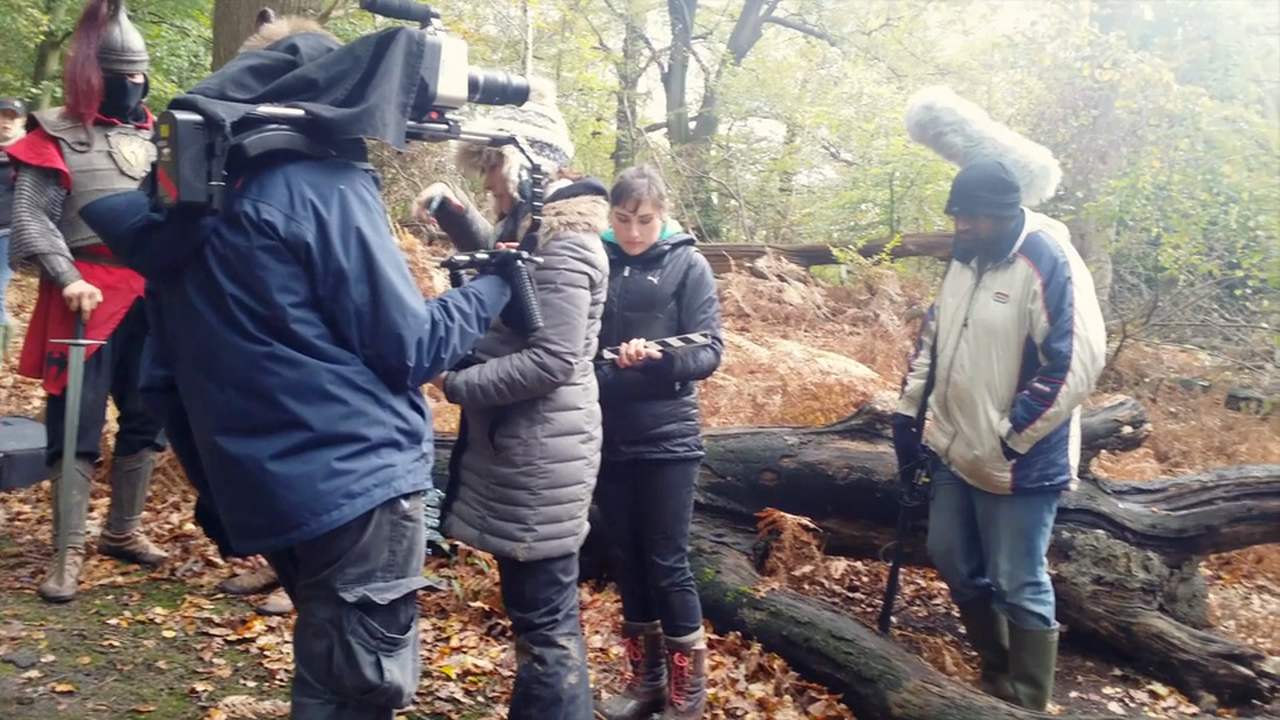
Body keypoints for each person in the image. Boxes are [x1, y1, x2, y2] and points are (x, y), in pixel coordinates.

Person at [77, 12, 514, 718]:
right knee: (357, 691)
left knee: (327, 669)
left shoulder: (185, 201)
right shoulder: (318, 183)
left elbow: (163, 379)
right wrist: (495, 283)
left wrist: (220, 495)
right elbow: (411, 350)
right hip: (357, 485)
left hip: (268, 489)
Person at [412, 76, 608, 720]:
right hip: (528, 448)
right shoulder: (537, 227)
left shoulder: (570, 243)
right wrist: (453, 210)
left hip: (543, 455)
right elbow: (509, 266)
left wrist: (456, 382)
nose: (492, 189)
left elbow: (553, 358)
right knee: (537, 615)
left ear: (528, 168)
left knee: (545, 620)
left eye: (495, 177)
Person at [891, 157, 1106, 712]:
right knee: (953, 559)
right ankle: (997, 675)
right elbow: (933, 340)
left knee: (1017, 579)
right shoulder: (965, 258)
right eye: (958, 213)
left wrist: (1011, 435)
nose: (962, 224)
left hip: (1021, 461)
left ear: (1006, 214)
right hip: (954, 449)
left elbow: (1076, 363)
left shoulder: (1045, 260)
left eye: (975, 216)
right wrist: (907, 417)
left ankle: (1028, 700)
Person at [4, 0, 169, 603]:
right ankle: (67, 550)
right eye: (122, 75)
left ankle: (122, 531)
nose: (134, 86)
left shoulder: (161, 136)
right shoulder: (55, 134)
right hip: (85, 293)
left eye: (140, 74)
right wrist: (65, 273)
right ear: (92, 76)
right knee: (75, 420)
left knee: (150, 413)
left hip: (152, 293)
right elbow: (33, 220)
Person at [591, 165, 723, 720]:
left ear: (662, 215)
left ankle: (686, 694)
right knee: (625, 559)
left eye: (644, 220)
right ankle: (644, 682)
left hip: (669, 439)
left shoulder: (688, 264)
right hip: (607, 434)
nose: (634, 232)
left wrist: (661, 357)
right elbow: (577, 348)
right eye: (623, 220)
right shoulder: (597, 259)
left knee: (667, 561)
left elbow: (710, 350)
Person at [1, 96, 28, 363]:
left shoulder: (29, 154)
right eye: (3, 116)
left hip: (10, 233)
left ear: (21, 122)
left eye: (12, 117)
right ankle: (6, 327)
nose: (6, 122)